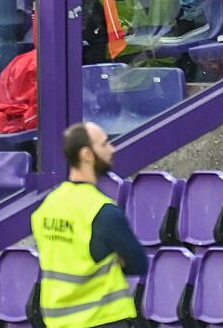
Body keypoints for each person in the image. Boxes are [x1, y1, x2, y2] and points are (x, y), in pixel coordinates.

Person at [31, 122, 146, 328]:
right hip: (103, 319)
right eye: (104, 144)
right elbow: (138, 264)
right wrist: (115, 259)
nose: (112, 149)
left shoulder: (47, 207)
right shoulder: (102, 211)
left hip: (57, 321)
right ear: (87, 154)